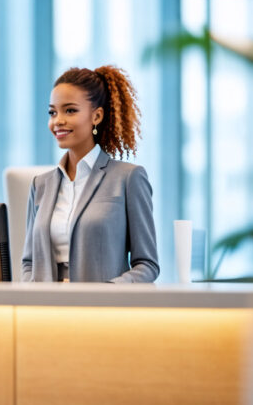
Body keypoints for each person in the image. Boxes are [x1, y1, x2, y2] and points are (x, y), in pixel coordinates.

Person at [22, 66, 159, 283]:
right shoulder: (41, 185)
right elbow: (29, 262)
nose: (58, 120)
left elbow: (147, 265)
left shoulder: (128, 178)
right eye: (52, 112)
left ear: (96, 116)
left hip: (100, 311)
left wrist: (107, 292)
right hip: (45, 311)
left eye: (70, 110)